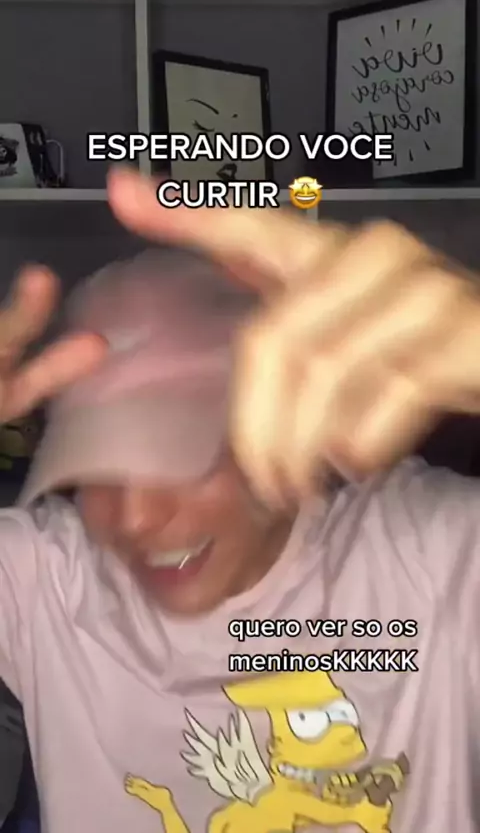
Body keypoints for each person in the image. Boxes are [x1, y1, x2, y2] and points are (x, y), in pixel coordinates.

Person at [0, 167, 479, 833]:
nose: (135, 518)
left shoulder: (434, 556)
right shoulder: (43, 581)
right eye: (93, 464)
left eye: (179, 451)